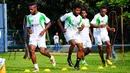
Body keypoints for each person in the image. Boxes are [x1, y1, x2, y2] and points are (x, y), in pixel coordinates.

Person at [26, 2, 56, 72]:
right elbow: (28, 27)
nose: (30, 11)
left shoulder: (41, 15)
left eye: (32, 9)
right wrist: (29, 30)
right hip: (33, 36)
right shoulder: (28, 17)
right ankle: (36, 67)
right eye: (29, 9)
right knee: (31, 50)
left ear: (35, 8)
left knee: (42, 51)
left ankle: (51, 57)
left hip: (41, 36)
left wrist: (44, 30)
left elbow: (49, 23)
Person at [57, 2, 84, 70]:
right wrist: (62, 29)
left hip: (76, 33)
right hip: (68, 32)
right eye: (77, 10)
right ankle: (69, 57)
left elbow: (79, 28)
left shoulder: (80, 18)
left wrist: (82, 28)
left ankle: (77, 64)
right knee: (73, 43)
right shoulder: (68, 15)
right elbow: (59, 21)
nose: (78, 11)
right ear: (73, 9)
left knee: (81, 48)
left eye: (79, 10)